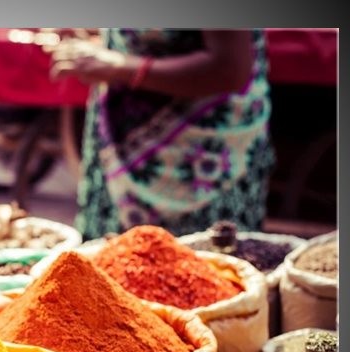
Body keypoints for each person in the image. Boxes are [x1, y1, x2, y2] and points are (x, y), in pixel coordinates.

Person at [49, 29, 275, 239]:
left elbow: (229, 68)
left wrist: (120, 66)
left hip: (201, 161)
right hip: (117, 154)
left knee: (203, 269)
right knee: (106, 266)